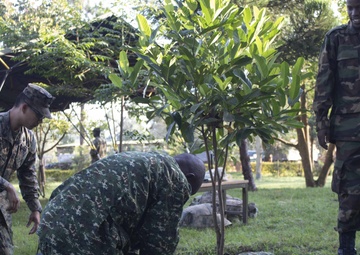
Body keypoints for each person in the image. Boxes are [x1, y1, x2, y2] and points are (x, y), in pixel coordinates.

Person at [37, 151, 205, 255]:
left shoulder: (151, 161)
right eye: (189, 193)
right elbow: (160, 244)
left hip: (52, 221)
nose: (184, 197)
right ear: (189, 178)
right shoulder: (176, 180)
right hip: (84, 234)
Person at [313, 1, 360, 254]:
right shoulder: (336, 38)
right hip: (348, 130)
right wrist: (320, 122)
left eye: (359, 7)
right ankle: (346, 250)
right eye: (350, 7)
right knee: (349, 192)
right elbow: (324, 80)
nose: (355, 13)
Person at [0, 83, 54, 254]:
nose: (40, 121)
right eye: (38, 115)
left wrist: (35, 208)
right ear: (24, 107)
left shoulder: (28, 139)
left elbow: (28, 175)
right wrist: (6, 185)